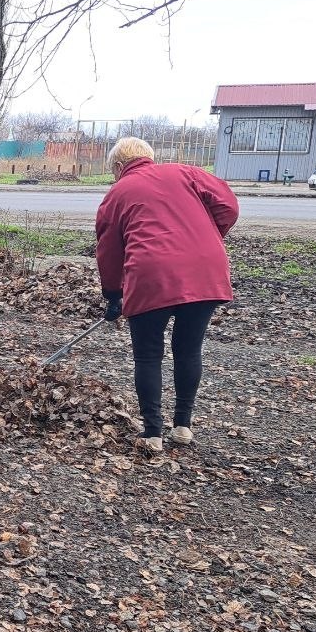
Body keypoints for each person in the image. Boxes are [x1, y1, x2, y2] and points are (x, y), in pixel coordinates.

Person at [95, 137, 239, 454]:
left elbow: (108, 249)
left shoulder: (118, 193)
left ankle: (153, 433)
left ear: (119, 167)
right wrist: (209, 236)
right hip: (204, 272)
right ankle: (183, 426)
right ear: (149, 157)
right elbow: (228, 205)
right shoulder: (187, 173)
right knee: (188, 351)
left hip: (151, 275)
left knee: (148, 355)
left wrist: (113, 294)